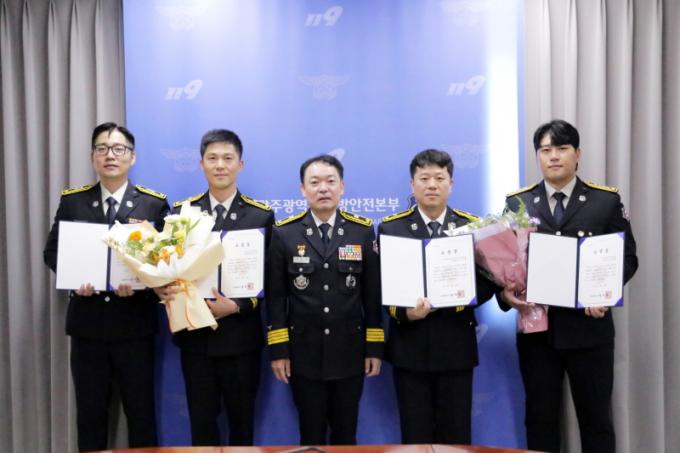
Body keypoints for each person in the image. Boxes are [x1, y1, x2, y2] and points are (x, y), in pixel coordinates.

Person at [500, 119, 638, 453]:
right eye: (545, 150)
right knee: (540, 419)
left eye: (562, 148)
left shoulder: (605, 201)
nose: (553, 156)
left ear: (577, 154)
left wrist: (604, 294)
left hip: (589, 330)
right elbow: (504, 262)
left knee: (596, 420)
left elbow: (627, 258)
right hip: (538, 332)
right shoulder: (518, 203)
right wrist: (505, 294)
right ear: (537, 156)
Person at [43, 122, 169, 452]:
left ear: (132, 157)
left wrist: (143, 285)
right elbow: (52, 252)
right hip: (88, 326)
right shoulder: (73, 201)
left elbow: (166, 263)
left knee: (141, 414)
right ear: (92, 157)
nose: (110, 155)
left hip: (135, 326)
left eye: (118, 149)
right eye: (102, 148)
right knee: (90, 415)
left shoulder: (153, 205)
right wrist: (73, 281)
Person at [155, 129, 274, 446]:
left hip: (241, 338)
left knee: (242, 425)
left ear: (240, 164)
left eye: (227, 158)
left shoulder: (260, 216)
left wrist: (237, 305)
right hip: (196, 338)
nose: (220, 165)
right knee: (201, 425)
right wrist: (161, 287)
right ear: (201, 163)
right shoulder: (182, 214)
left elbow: (271, 278)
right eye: (212, 158)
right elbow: (168, 268)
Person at [378, 149, 500, 444]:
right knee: (414, 436)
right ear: (412, 184)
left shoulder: (472, 227)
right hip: (409, 347)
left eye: (439, 178)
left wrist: (459, 297)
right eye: (424, 178)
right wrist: (406, 312)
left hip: (455, 344)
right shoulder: (391, 228)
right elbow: (382, 286)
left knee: (456, 436)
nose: (432, 185)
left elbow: (489, 281)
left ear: (451, 183)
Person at [265, 154, 383, 445]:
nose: (323, 189)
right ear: (303, 190)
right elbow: (276, 298)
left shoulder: (362, 231)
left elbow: (372, 295)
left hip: (350, 352)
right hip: (303, 353)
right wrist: (279, 350)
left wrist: (374, 347)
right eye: (314, 182)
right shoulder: (284, 233)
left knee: (346, 435)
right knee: (310, 435)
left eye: (330, 181)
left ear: (342, 187)